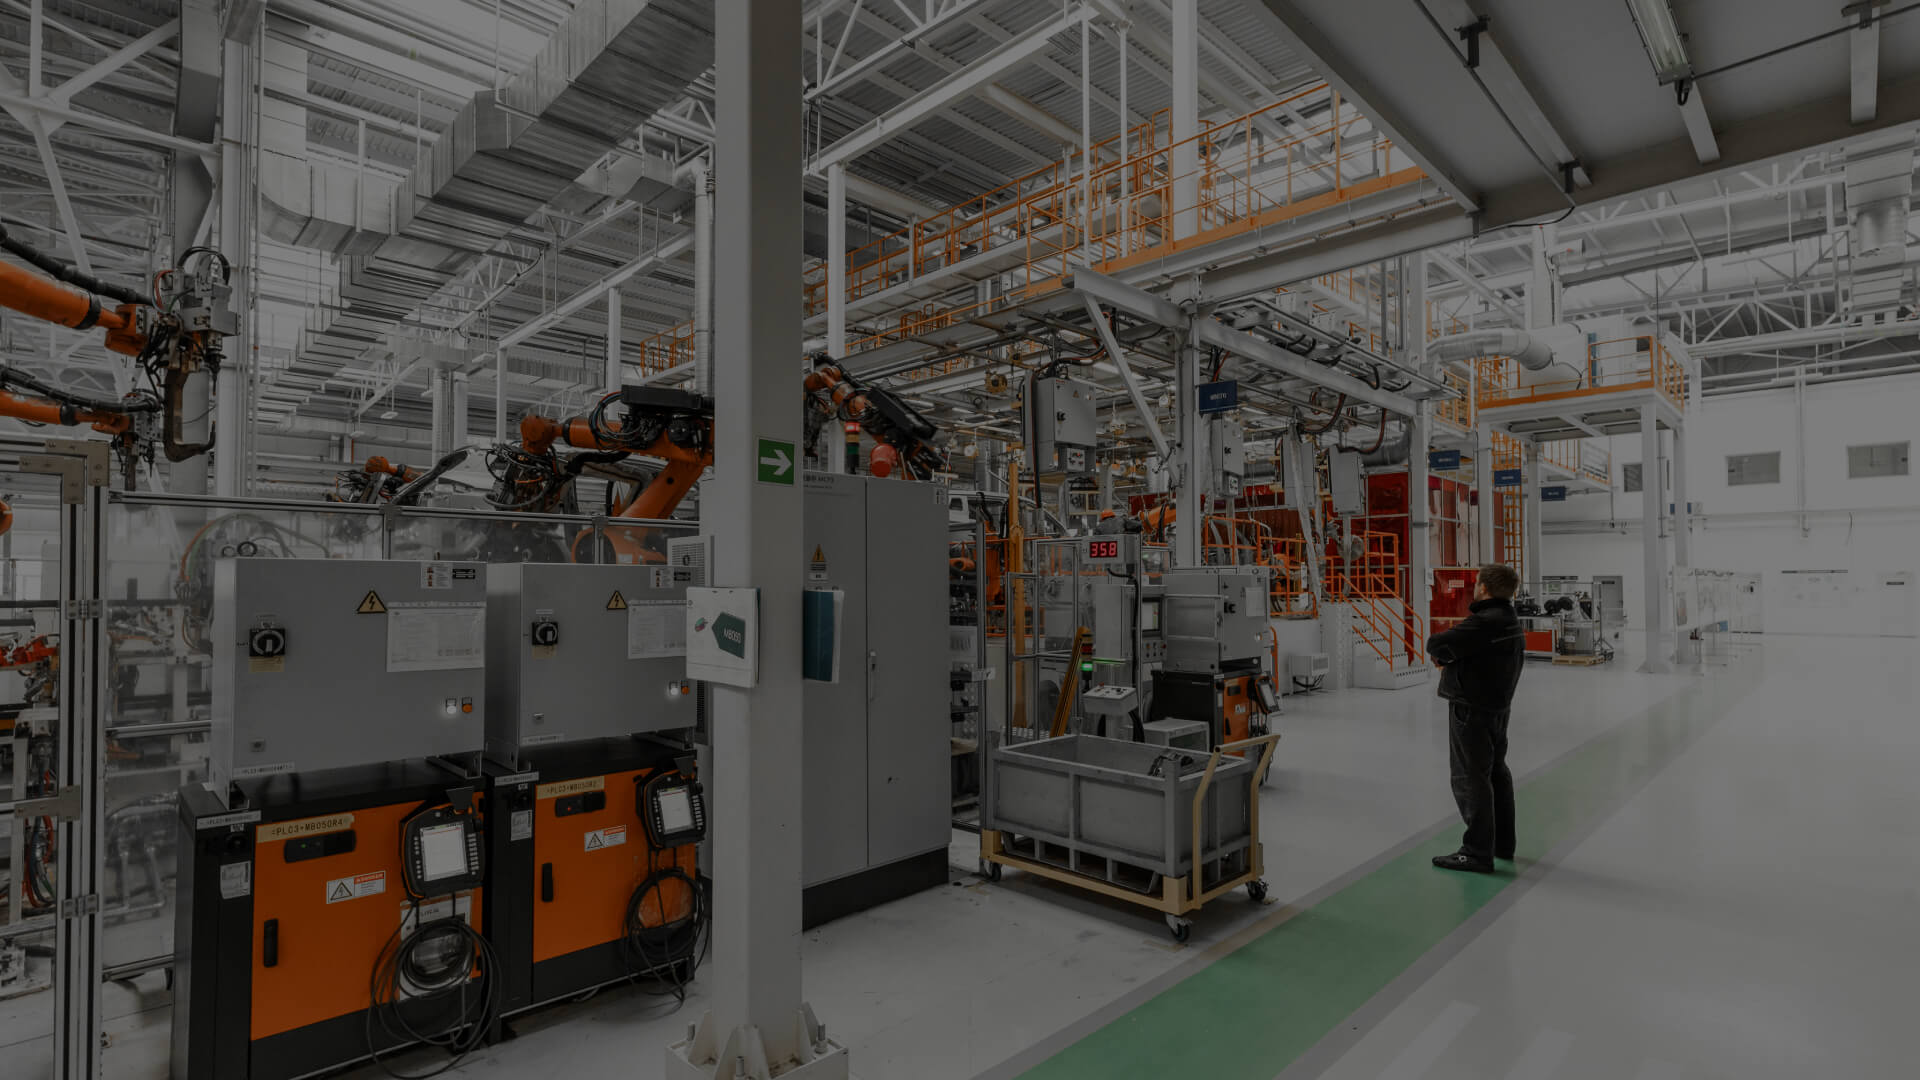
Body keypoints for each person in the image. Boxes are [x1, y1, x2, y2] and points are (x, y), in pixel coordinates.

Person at [1425, 564, 1525, 873]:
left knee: (1470, 778)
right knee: (1496, 773)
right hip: (1498, 708)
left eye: (1477, 583)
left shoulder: (1484, 621)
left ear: (1483, 588)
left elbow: (1436, 644)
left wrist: (1445, 656)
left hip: (1471, 709)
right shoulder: (1509, 619)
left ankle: (1477, 852)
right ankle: (1502, 844)